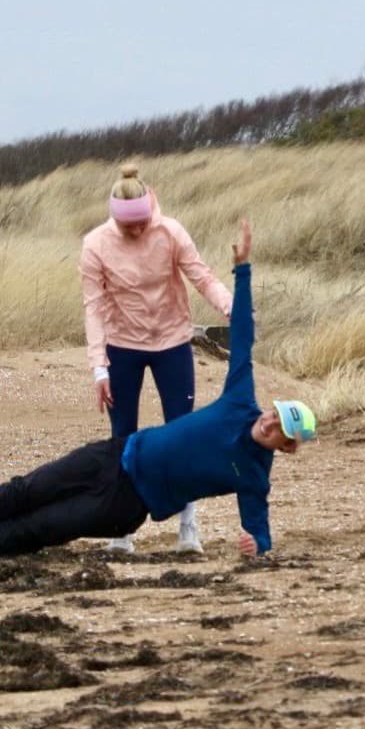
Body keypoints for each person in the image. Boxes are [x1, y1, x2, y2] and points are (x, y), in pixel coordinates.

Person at [0, 221, 317, 564]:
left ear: (288, 447)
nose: (271, 421)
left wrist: (256, 546)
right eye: (277, 413)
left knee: (38, 528)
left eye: (282, 428)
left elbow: (259, 530)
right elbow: (243, 336)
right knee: (22, 491)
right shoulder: (242, 401)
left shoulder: (255, 477)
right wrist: (242, 270)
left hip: (125, 505)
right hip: (115, 453)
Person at [79, 162, 233, 555]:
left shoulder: (170, 232)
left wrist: (231, 307)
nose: (136, 231)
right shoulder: (96, 244)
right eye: (128, 226)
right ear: (115, 218)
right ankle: (122, 530)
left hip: (172, 343)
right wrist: (99, 367)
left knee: (181, 435)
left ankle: (188, 527)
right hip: (122, 346)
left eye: (141, 223)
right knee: (122, 438)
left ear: (150, 210)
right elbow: (93, 308)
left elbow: (202, 277)